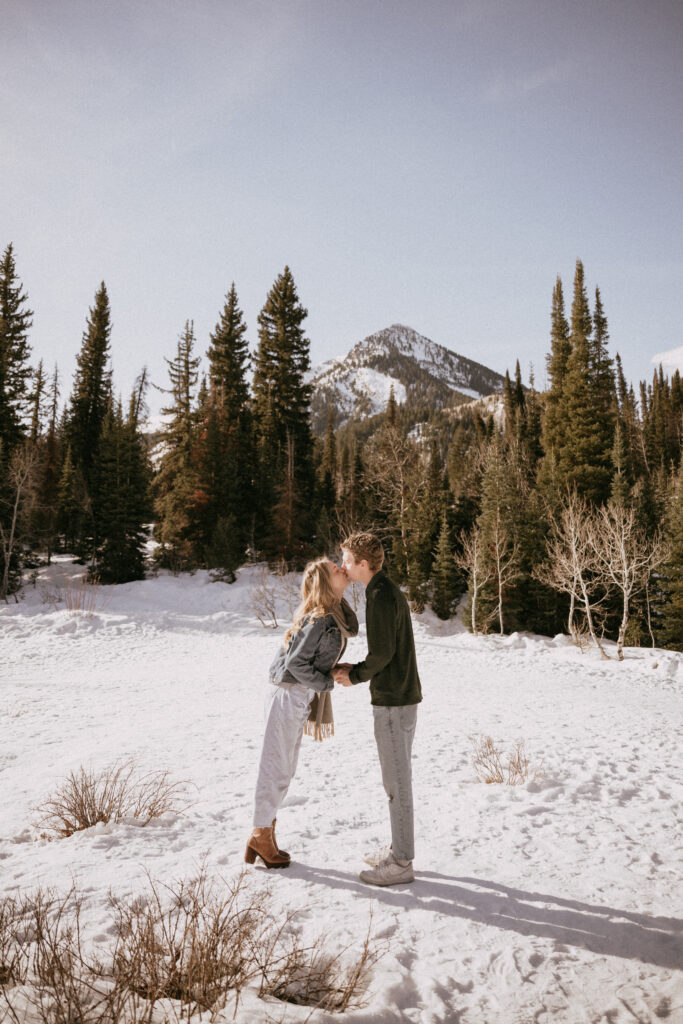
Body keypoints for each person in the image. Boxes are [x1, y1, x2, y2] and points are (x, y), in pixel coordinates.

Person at [245, 558, 358, 869]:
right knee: (276, 766)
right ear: (325, 582)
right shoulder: (320, 620)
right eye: (335, 568)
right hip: (287, 692)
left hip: (294, 693)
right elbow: (296, 664)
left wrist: (326, 671)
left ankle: (263, 834)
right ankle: (260, 835)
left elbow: (311, 657)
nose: (342, 568)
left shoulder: (329, 615)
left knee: (284, 767)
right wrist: (326, 682)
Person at [334, 532, 422, 886]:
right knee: (397, 780)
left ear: (363, 563)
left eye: (347, 560)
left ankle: (401, 863)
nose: (343, 565)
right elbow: (386, 650)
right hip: (400, 698)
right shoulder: (382, 589)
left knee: (396, 784)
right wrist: (357, 669)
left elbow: (382, 654)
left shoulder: (381, 595)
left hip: (393, 702)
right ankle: (400, 851)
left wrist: (354, 675)